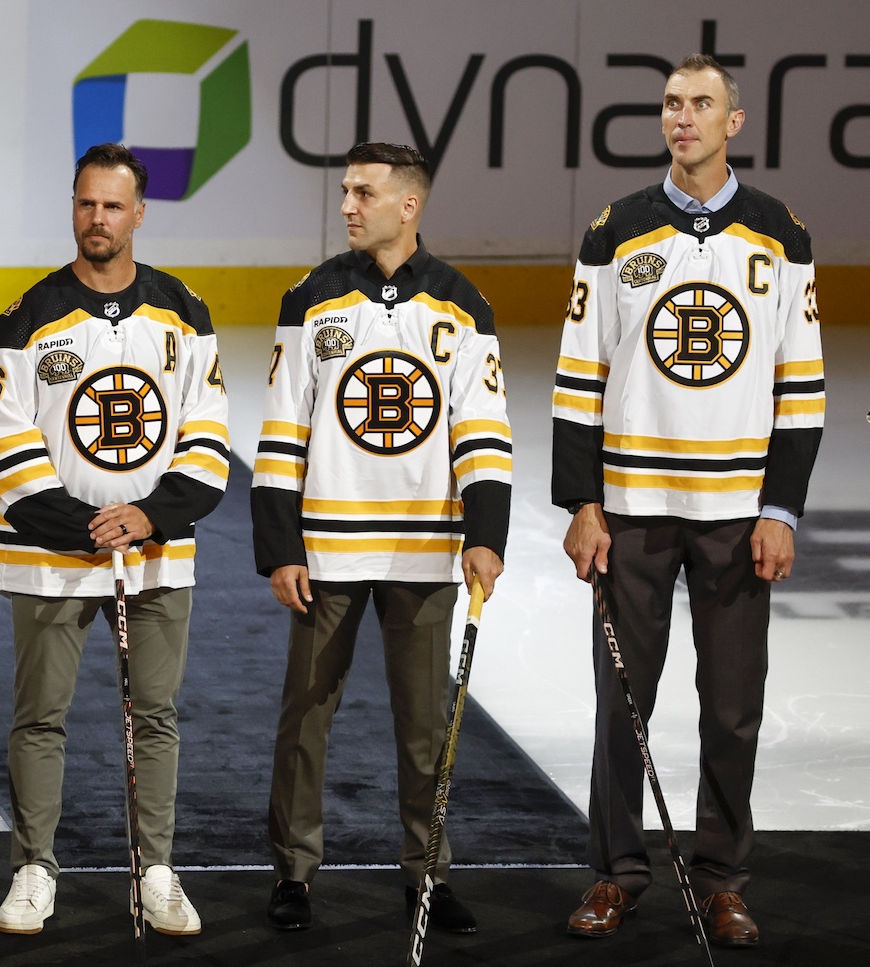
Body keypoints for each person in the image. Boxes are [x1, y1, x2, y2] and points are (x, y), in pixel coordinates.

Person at [554, 54, 823, 948]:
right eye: (672, 103)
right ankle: (616, 871)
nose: (683, 118)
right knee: (619, 703)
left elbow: (803, 387)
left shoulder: (780, 233)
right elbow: (575, 378)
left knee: (733, 704)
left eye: (702, 105)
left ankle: (722, 880)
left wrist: (780, 510)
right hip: (631, 509)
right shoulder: (615, 231)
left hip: (739, 514)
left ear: (733, 123)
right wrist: (581, 503)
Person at [251, 142, 511, 934]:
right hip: (326, 548)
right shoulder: (311, 298)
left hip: (426, 550)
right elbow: (280, 431)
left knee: (425, 724)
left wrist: (486, 534)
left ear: (410, 204)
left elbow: (484, 432)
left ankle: (426, 871)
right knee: (305, 715)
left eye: (363, 192)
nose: (347, 206)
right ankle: (292, 875)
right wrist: (280, 546)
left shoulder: (464, 305)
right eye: (344, 192)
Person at [0, 143, 229, 937]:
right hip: (51, 557)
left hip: (155, 555)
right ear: (74, 207)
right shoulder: (25, 316)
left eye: (113, 206)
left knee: (154, 714)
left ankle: (156, 868)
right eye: (86, 203)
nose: (98, 218)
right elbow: (1, 442)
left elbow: (209, 432)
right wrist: (86, 524)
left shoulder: (184, 311)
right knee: (39, 718)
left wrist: (151, 515)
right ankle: (32, 867)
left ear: (140, 213)